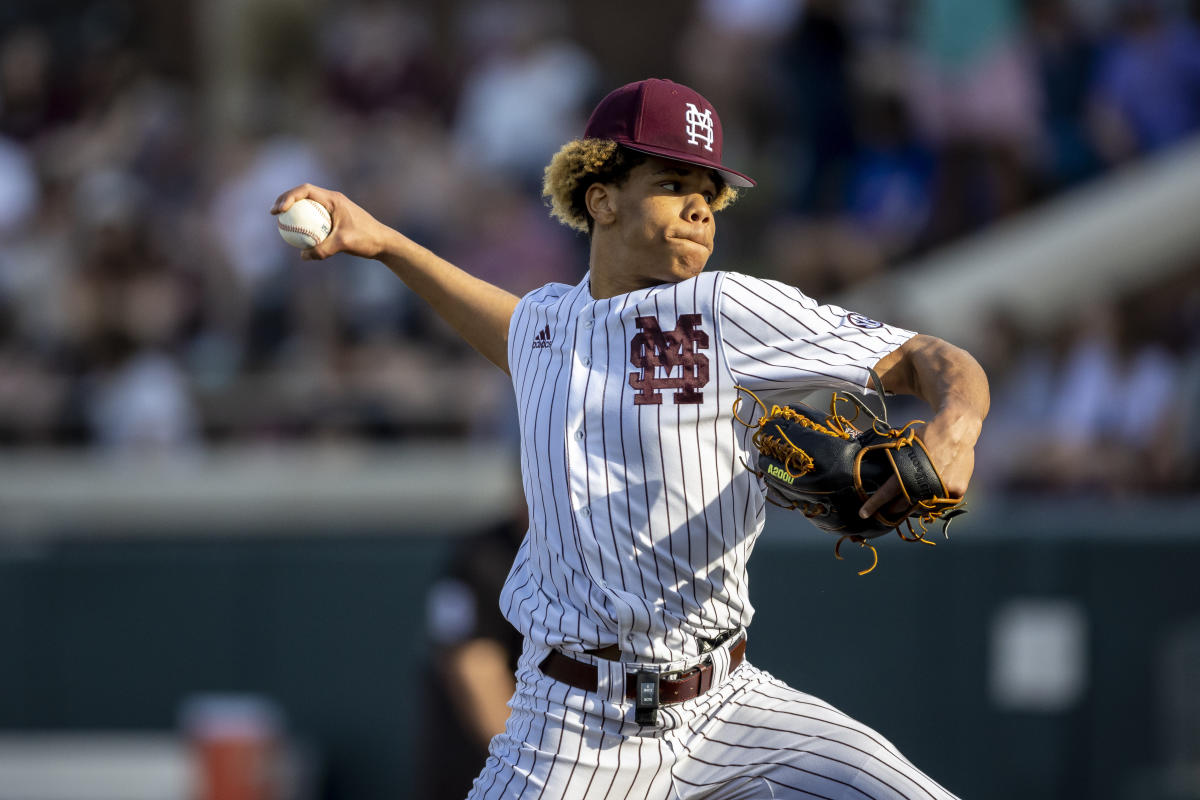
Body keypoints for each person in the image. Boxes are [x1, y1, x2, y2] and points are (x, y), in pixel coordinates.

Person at [272, 78, 988, 799]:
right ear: (601, 197)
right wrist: (386, 243)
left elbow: (933, 359)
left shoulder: (724, 308)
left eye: (710, 190)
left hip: (731, 705)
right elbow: (505, 323)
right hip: (571, 728)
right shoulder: (546, 324)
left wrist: (956, 425)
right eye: (672, 182)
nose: (700, 206)